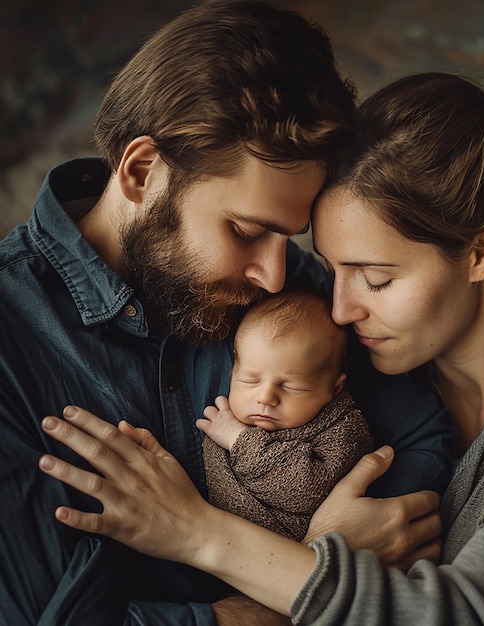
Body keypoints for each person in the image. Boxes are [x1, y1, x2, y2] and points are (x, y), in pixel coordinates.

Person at [40, 70, 484, 625]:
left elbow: (464, 614)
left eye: (375, 279)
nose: (341, 311)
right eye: (333, 270)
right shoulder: (350, 355)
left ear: (482, 254)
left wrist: (199, 534)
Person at [0, 2, 453, 623]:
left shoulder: (286, 290)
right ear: (142, 172)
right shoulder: (11, 339)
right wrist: (323, 573)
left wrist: (320, 563)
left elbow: (423, 440)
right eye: (244, 229)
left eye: (286, 240)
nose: (274, 274)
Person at [198, 289, 374, 541]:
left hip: (286, 554)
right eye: (249, 380)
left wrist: (239, 439)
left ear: (335, 388)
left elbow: (306, 490)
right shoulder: (228, 417)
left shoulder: (343, 429)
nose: (265, 397)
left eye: (291, 387)